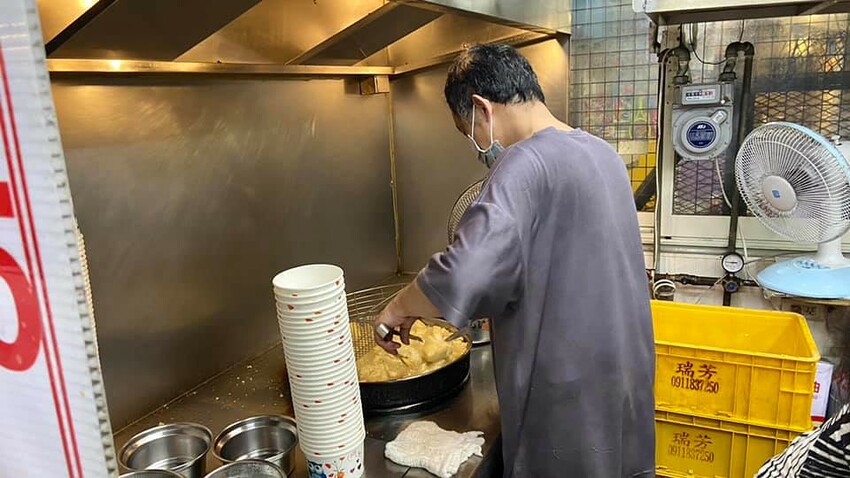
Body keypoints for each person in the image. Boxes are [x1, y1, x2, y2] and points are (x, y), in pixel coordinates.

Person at [373, 44, 655, 477]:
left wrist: (399, 307)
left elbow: (465, 270)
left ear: (481, 109)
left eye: (467, 131)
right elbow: (549, 264)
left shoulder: (523, 162)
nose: (478, 147)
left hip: (566, 393)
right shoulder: (603, 154)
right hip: (624, 376)